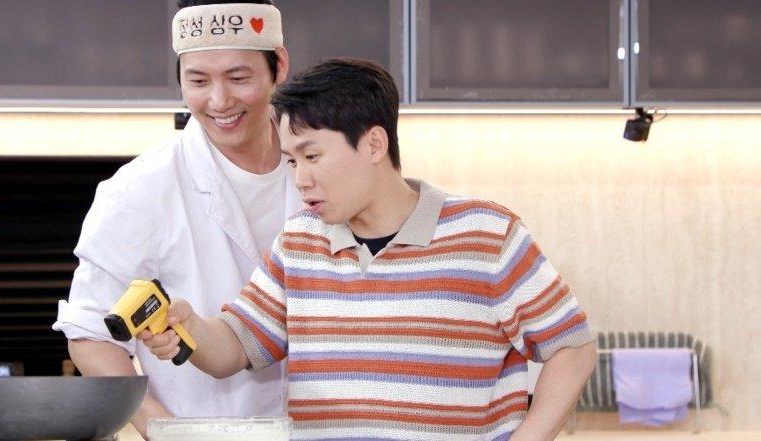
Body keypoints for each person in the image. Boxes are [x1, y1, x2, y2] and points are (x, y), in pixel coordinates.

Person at [142, 58, 598, 440]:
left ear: (374, 144)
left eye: (312, 156)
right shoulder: (299, 242)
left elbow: (573, 348)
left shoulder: (487, 235)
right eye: (292, 161)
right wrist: (189, 327)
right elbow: (236, 347)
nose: (300, 179)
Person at [53, 1, 299, 438]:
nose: (219, 101)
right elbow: (91, 335)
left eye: (238, 78)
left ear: (278, 65)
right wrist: (164, 429)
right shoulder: (139, 190)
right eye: (198, 81)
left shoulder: (327, 164)